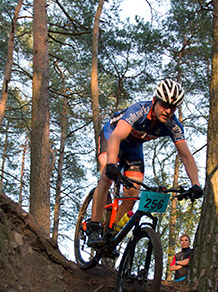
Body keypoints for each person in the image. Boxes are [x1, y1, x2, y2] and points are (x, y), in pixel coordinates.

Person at [87, 79, 203, 248]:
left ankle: (110, 232)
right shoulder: (139, 110)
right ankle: (93, 228)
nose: (168, 111)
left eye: (173, 107)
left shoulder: (173, 125)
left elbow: (186, 156)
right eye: (164, 105)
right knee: (106, 177)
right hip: (112, 136)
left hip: (134, 147)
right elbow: (117, 137)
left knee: (132, 194)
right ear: (155, 100)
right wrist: (111, 163)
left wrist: (195, 184)